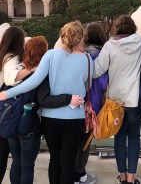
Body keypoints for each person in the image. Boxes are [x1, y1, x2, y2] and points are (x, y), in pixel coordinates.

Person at [0, 22, 89, 184]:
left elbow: (33, 81)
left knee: (55, 158)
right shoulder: (87, 59)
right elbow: (89, 85)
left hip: (51, 118)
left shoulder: (50, 55)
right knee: (69, 161)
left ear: (62, 37)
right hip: (75, 116)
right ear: (81, 38)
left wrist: (7, 93)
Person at [8, 36, 75, 184]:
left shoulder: (17, 70)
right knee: (27, 166)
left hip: (12, 121)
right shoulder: (42, 73)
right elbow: (43, 99)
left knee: (16, 162)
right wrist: (68, 98)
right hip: (29, 123)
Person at [93, 15, 141, 184]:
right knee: (134, 137)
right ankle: (131, 177)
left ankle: (122, 176)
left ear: (117, 28)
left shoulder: (109, 46)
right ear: (133, 28)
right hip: (135, 97)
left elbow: (97, 70)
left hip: (115, 99)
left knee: (119, 137)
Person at [0, 27, 36, 182]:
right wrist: (32, 69)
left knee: (14, 160)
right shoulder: (11, 58)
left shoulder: (4, 56)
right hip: (12, 113)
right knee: (21, 162)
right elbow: (11, 79)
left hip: (5, 112)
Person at [75, 22, 109, 184]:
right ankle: (80, 175)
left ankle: (73, 174)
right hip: (92, 105)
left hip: (74, 103)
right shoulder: (101, 56)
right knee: (85, 143)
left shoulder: (78, 54)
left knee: (74, 141)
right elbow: (103, 84)